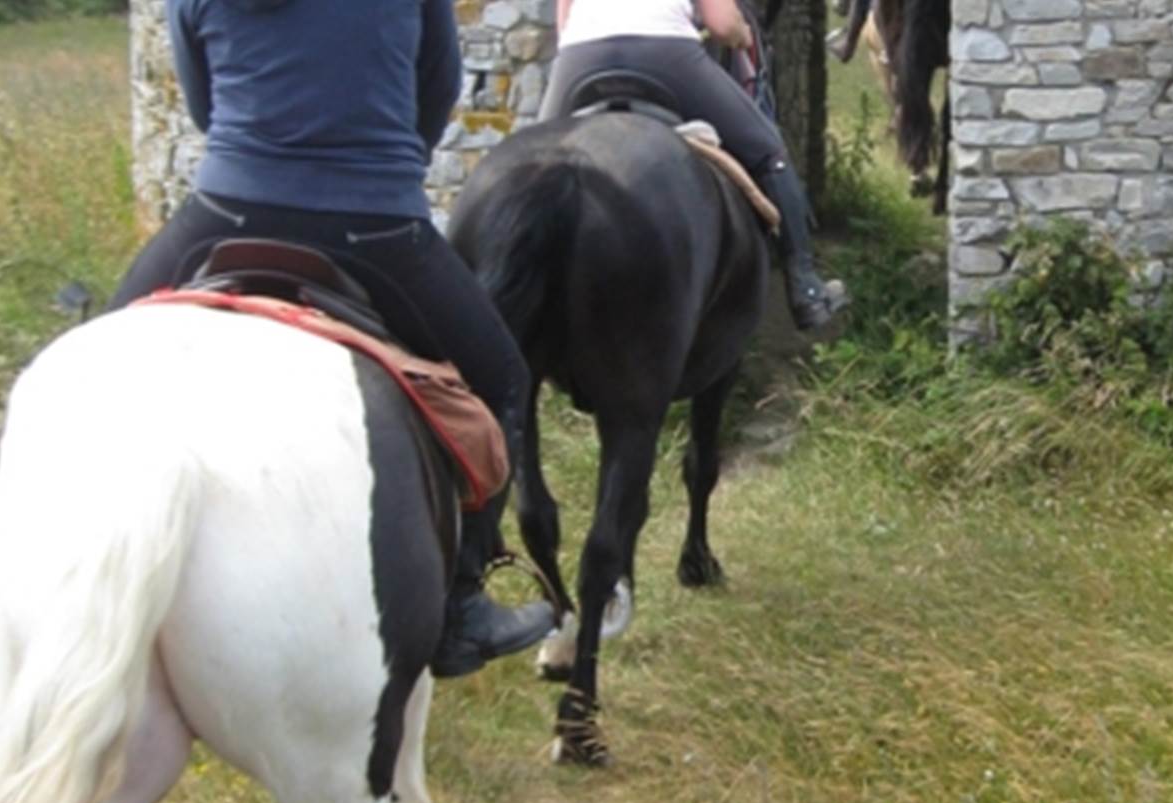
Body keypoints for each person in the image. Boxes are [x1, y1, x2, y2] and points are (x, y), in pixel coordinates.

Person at [107, 0, 555, 678]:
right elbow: (433, 95)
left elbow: (202, 109)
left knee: (97, 363)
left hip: (227, 207)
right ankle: (462, 603)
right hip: (375, 224)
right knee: (502, 380)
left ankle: (85, 570)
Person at [547, 0, 850, 330]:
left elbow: (564, 23)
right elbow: (721, 24)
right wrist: (743, 34)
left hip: (580, 55)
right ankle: (806, 289)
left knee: (532, 162)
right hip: (664, 52)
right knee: (769, 152)